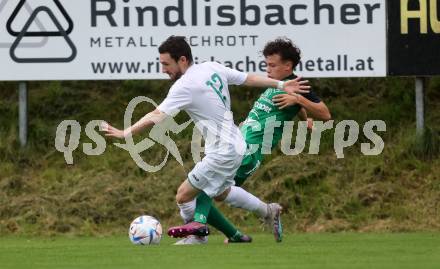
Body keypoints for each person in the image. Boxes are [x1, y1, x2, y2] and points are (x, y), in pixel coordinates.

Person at [101, 36, 311, 243]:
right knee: (220, 192)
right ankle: (264, 213)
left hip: (224, 150)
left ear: (182, 60)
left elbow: (156, 115)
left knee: (184, 196)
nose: (163, 69)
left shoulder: (185, 85)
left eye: (166, 64)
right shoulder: (211, 67)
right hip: (236, 143)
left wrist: (126, 132)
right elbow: (249, 78)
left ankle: (196, 236)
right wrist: (281, 85)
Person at [168, 37, 331, 244]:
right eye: (266, 64)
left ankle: (199, 232)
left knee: (204, 192)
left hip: (248, 151)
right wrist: (305, 118)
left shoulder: (296, 87)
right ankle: (255, 220)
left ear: (287, 65)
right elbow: (295, 106)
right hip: (238, 144)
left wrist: (299, 100)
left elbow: (325, 114)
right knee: (216, 193)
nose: (268, 69)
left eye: (272, 65)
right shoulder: (277, 86)